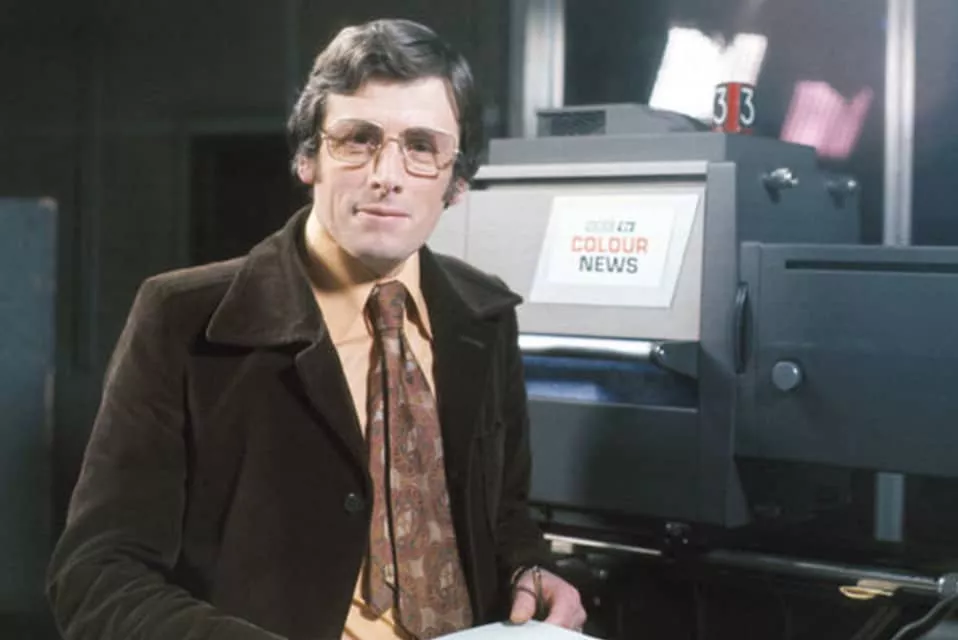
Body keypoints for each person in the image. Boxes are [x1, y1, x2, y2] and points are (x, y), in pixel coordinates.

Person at [46, 17, 587, 640]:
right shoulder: (181, 318)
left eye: (421, 146)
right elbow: (96, 575)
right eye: (357, 139)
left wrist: (529, 569)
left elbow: (504, 516)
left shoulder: (484, 315)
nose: (387, 174)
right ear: (308, 158)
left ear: (457, 180)